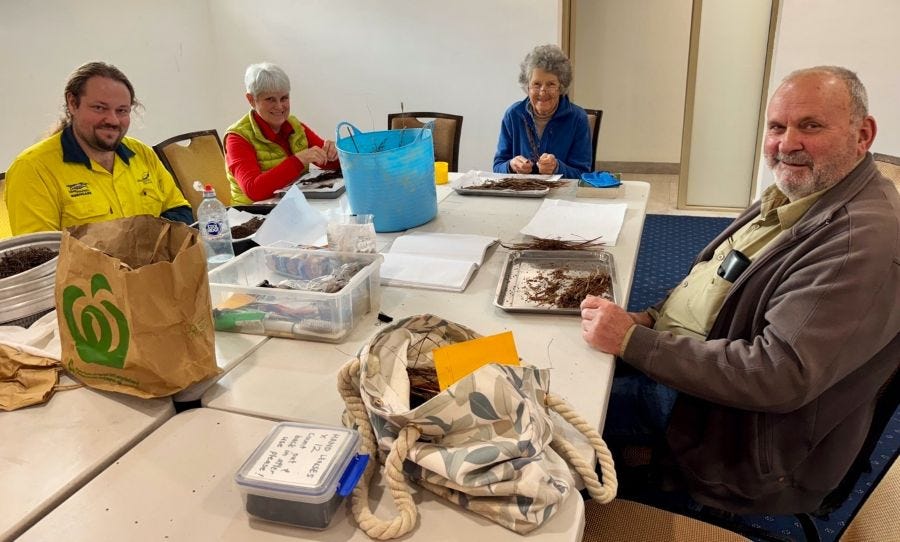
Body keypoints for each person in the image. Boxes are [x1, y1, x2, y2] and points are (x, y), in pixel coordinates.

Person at [580, 66, 899, 515]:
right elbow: (710, 279)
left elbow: (776, 374)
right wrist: (647, 320)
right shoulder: (799, 194)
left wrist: (633, 341)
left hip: (740, 434)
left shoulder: (859, 243)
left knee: (558, 410)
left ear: (862, 134)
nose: (787, 144)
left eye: (811, 125)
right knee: (559, 362)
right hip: (695, 363)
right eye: (776, 127)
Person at [5, 62, 193, 235]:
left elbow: (179, 210)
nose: (112, 120)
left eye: (122, 110)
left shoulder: (142, 154)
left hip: (157, 267)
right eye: (99, 108)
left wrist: (146, 247)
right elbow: (41, 259)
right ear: (72, 103)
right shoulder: (33, 169)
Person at [224, 63, 340, 205]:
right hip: (252, 215)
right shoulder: (236, 138)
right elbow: (253, 190)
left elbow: (331, 163)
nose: (279, 106)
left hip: (289, 207)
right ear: (251, 100)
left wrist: (337, 152)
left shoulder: (294, 126)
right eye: (270, 99)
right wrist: (298, 160)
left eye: (284, 98)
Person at [493, 44, 593, 179]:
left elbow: (583, 174)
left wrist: (557, 167)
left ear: (561, 87)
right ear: (527, 86)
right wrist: (511, 165)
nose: (542, 91)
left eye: (551, 84)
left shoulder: (578, 119)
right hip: (520, 195)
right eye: (536, 84)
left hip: (560, 196)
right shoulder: (513, 115)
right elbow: (497, 167)